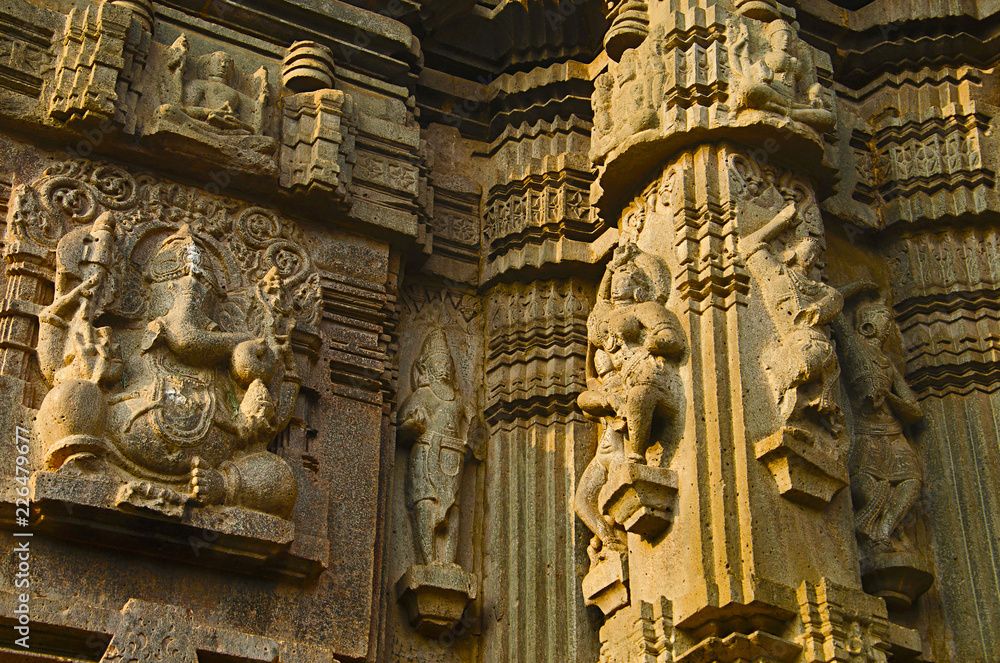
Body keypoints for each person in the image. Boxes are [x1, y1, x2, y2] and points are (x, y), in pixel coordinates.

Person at [398, 329, 469, 566]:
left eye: (448, 363)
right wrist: (413, 425)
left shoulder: (459, 402)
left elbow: (473, 428)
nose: (445, 368)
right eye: (439, 362)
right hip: (425, 453)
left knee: (453, 508)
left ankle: (449, 561)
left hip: (452, 457)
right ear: (426, 367)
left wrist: (471, 439)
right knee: (426, 503)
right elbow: (401, 426)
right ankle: (429, 561)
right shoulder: (422, 396)